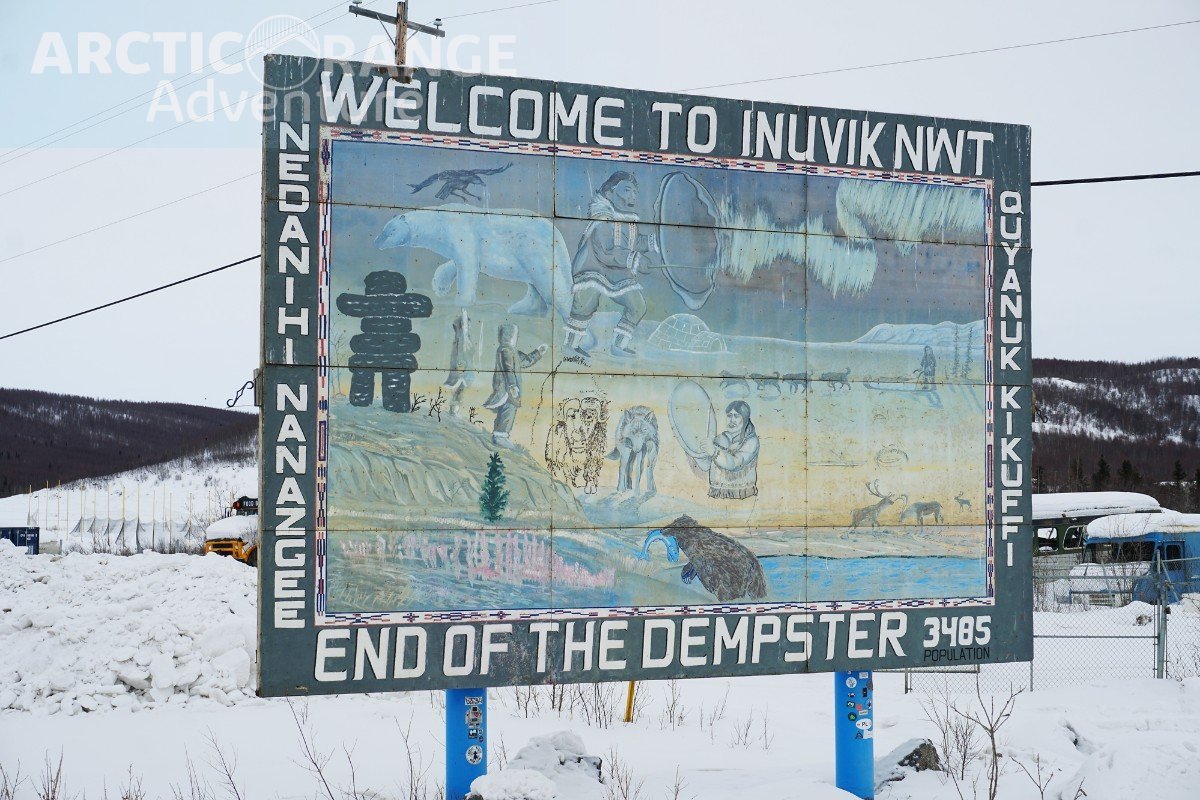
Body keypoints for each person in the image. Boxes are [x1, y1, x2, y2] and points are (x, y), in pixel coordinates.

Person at [563, 171, 660, 359]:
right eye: (626, 190)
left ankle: (618, 346)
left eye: (634, 191)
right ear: (610, 193)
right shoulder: (603, 219)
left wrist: (651, 242)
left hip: (618, 273)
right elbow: (607, 251)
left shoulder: (628, 220)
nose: (632, 195)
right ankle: (570, 345)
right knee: (585, 305)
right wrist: (637, 260)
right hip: (593, 268)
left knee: (637, 306)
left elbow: (632, 243)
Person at [482, 323, 546, 449]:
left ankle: (500, 434)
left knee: (509, 407)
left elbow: (526, 360)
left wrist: (538, 353)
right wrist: (512, 385)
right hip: (506, 387)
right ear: (509, 336)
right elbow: (508, 368)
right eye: (515, 335)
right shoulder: (505, 350)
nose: (516, 337)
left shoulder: (513, 351)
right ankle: (500, 436)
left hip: (510, 387)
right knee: (508, 408)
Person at [708, 401, 760, 500]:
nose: (731, 420)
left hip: (743, 498)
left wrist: (714, 452)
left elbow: (735, 464)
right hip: (717, 495)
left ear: (745, 419)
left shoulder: (751, 441)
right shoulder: (720, 438)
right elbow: (706, 465)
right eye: (729, 416)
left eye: (736, 416)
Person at [442, 310, 474, 417]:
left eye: (469, 325)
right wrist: (461, 365)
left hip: (464, 368)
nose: (469, 327)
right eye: (467, 325)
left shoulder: (464, 338)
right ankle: (454, 410)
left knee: (460, 390)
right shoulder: (460, 338)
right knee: (458, 390)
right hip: (461, 369)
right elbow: (459, 353)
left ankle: (455, 410)